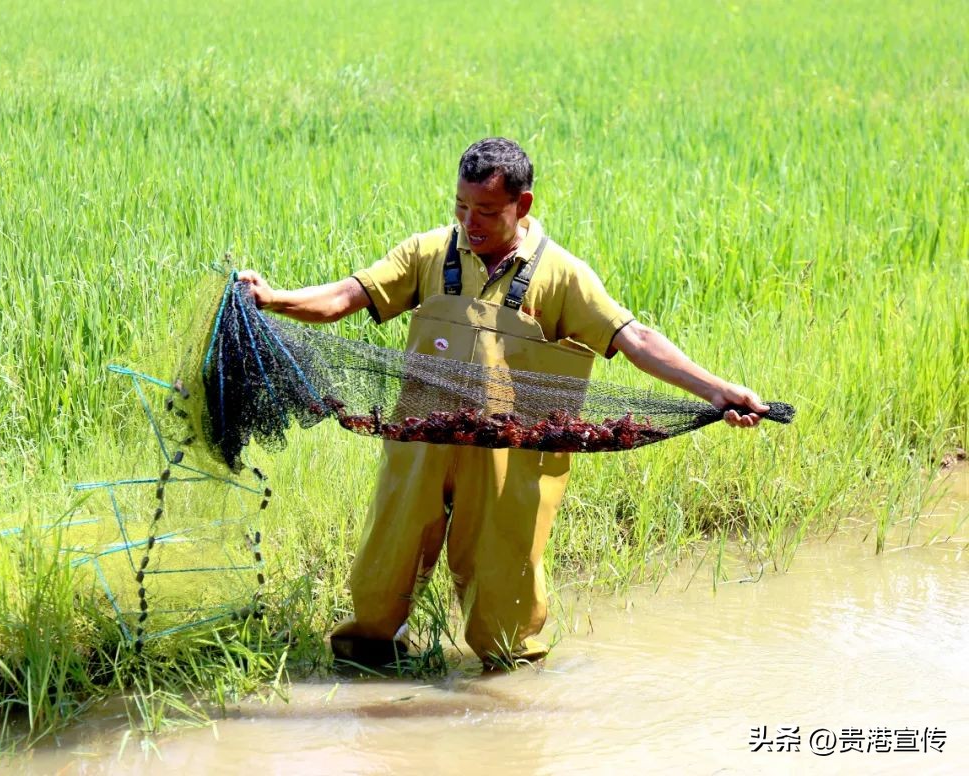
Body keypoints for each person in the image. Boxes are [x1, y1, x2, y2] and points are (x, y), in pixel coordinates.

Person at [239, 137, 766, 668]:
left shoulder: (563, 276)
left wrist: (716, 391)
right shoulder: (428, 253)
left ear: (524, 205)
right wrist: (273, 298)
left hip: (511, 463)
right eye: (462, 207)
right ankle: (367, 674)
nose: (472, 222)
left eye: (488, 211)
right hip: (420, 448)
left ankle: (508, 708)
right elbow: (343, 299)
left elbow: (637, 340)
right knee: (380, 586)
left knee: (505, 620)